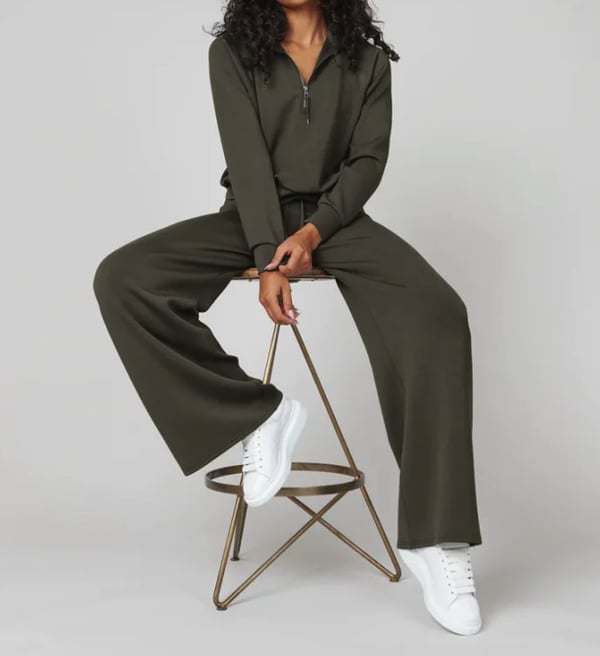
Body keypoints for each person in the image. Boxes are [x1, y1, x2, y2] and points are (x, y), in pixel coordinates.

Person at [92, 0, 483, 635]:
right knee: (124, 278)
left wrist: (313, 232)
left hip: (338, 223)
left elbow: (367, 162)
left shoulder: (367, 61)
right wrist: (266, 255)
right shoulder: (234, 54)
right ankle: (259, 415)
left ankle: (439, 539)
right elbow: (247, 161)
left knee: (440, 313)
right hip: (251, 217)